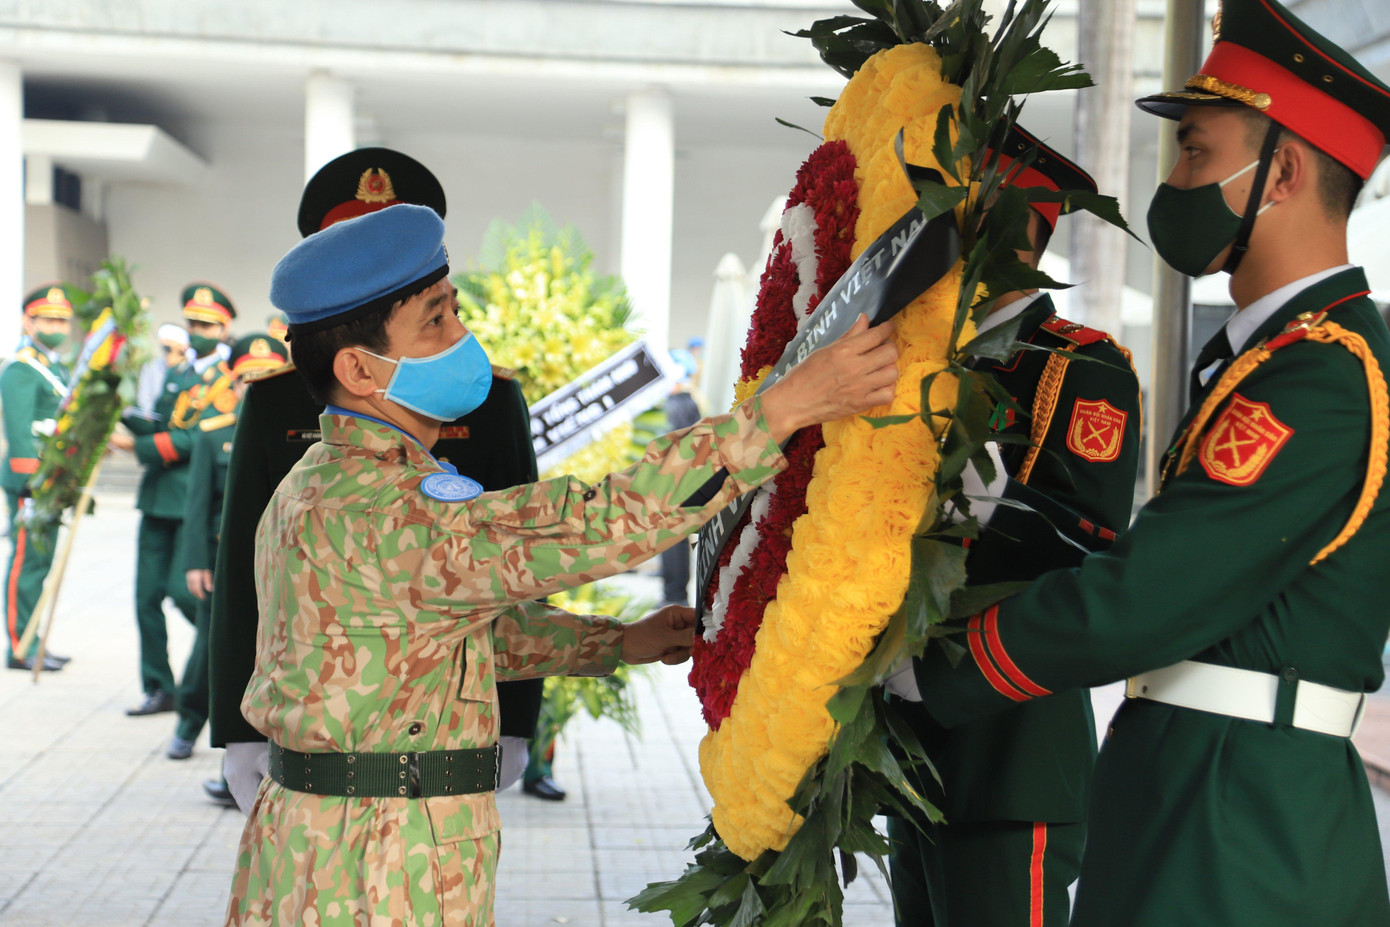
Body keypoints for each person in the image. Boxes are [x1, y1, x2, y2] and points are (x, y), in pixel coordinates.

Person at [223, 203, 898, 927]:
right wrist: (780, 411)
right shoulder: (394, 509)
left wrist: (616, 642)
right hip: (380, 861)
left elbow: (425, 644)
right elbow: (598, 522)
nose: (462, 336)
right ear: (359, 368)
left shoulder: (316, 481)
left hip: (320, 844)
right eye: (435, 321)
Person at [905, 1, 1390, 924]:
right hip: (1201, 789)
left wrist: (936, 669)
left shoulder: (1319, 375)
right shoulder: (1273, 358)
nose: (1175, 181)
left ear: (1280, 170)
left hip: (1240, 822)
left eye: (1197, 152)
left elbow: (1151, 590)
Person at [209, 147, 546, 811]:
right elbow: (245, 569)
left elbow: (517, 570)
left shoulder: (485, 395)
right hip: (316, 729)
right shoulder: (275, 403)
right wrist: (236, 728)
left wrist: (515, 715)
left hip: (443, 721)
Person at [883, 127, 1143, 927]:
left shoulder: (1079, 364)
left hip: (1009, 747)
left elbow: (1089, 538)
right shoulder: (918, 356)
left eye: (954, 207)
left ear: (1013, 223)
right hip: (913, 746)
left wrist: (964, 492)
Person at [166, 334, 288, 761]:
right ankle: (188, 721)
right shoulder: (212, 435)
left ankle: (245, 758)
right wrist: (197, 563)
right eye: (246, 379)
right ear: (232, 383)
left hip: (283, 565)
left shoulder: (298, 432)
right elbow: (196, 506)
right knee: (211, 651)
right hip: (225, 564)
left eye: (267, 377)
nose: (254, 387)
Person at [118, 283, 236, 716]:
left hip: (189, 496)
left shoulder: (226, 382)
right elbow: (166, 425)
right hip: (156, 497)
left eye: (207, 324)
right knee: (146, 597)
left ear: (225, 329)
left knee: (186, 595)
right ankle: (158, 684)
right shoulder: (178, 372)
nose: (197, 330)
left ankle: (217, 652)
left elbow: (194, 440)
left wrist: (140, 448)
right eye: (192, 323)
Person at [2, 285, 72, 672]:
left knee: (40, 562)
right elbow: (19, 431)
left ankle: (34, 638)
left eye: (61, 320)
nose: (56, 326)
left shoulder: (57, 367)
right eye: (48, 319)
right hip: (32, 481)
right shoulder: (21, 368)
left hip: (53, 479)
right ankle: (19, 645)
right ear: (28, 321)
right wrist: (32, 482)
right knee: (27, 561)